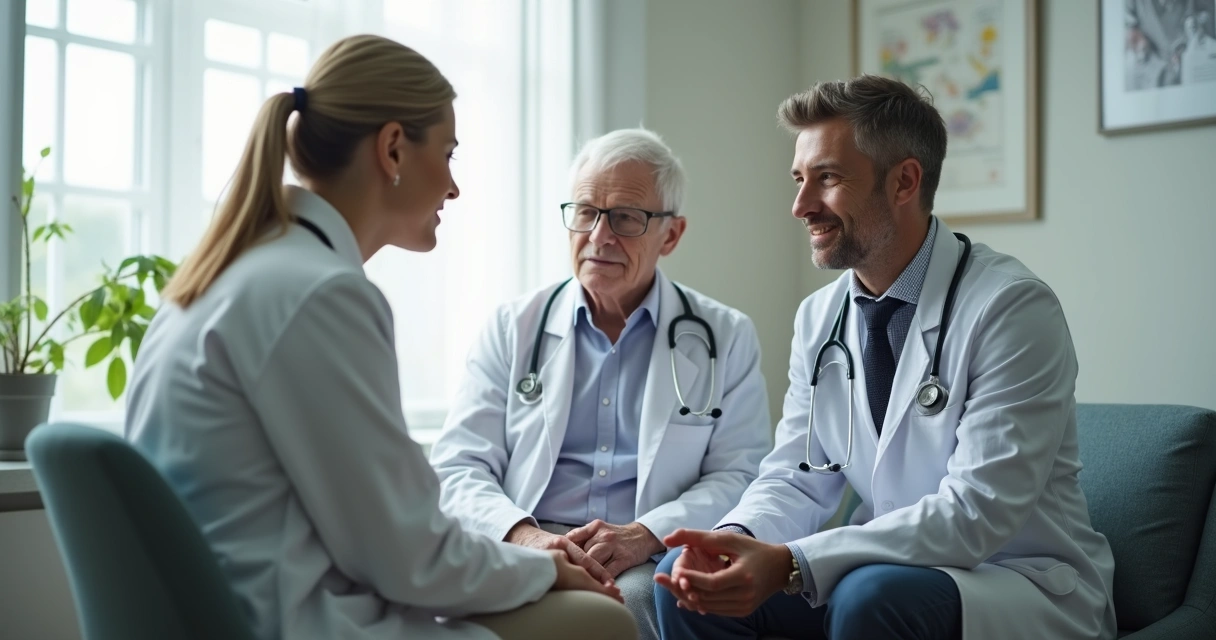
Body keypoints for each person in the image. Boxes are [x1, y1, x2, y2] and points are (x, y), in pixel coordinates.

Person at [125, 34, 636, 640]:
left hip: (231, 609)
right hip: (291, 623)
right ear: (393, 148)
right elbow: (408, 559)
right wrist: (544, 568)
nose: (453, 186)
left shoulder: (227, 275)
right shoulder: (320, 294)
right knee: (604, 621)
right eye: (447, 153)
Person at [652, 75, 1116, 640]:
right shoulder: (819, 316)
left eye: (827, 178)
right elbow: (797, 478)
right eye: (799, 179)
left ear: (904, 181)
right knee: (686, 583)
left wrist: (794, 563)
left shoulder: (1012, 307)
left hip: (1013, 581)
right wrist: (736, 540)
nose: (800, 206)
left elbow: (978, 512)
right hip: (879, 568)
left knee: (869, 596)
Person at [429, 128, 773, 640]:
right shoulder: (512, 327)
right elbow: (460, 466)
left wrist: (644, 534)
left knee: (633, 606)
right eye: (586, 212)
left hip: (642, 552)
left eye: (626, 218)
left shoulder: (725, 334)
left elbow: (739, 473)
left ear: (671, 235)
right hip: (524, 541)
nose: (599, 235)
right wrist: (525, 537)